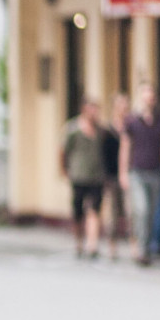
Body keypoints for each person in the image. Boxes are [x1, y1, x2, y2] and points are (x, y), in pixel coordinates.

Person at [120, 84, 160, 265]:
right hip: (137, 172)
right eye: (146, 96)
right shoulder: (131, 121)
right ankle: (141, 249)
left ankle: (145, 247)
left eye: (151, 97)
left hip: (156, 172)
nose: (149, 100)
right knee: (142, 209)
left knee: (152, 213)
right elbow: (125, 148)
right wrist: (123, 172)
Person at [61, 98, 107, 259]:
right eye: (91, 109)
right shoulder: (72, 129)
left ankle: (92, 245)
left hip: (97, 176)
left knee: (95, 209)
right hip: (78, 175)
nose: (94, 113)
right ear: (84, 110)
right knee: (78, 211)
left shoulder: (101, 130)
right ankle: (79, 242)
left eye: (96, 110)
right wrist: (64, 170)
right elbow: (62, 151)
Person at [102, 95, 129, 260]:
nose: (123, 109)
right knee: (112, 213)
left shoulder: (132, 127)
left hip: (128, 176)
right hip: (111, 176)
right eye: (120, 105)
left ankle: (134, 245)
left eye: (125, 106)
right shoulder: (107, 130)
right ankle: (113, 247)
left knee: (130, 212)